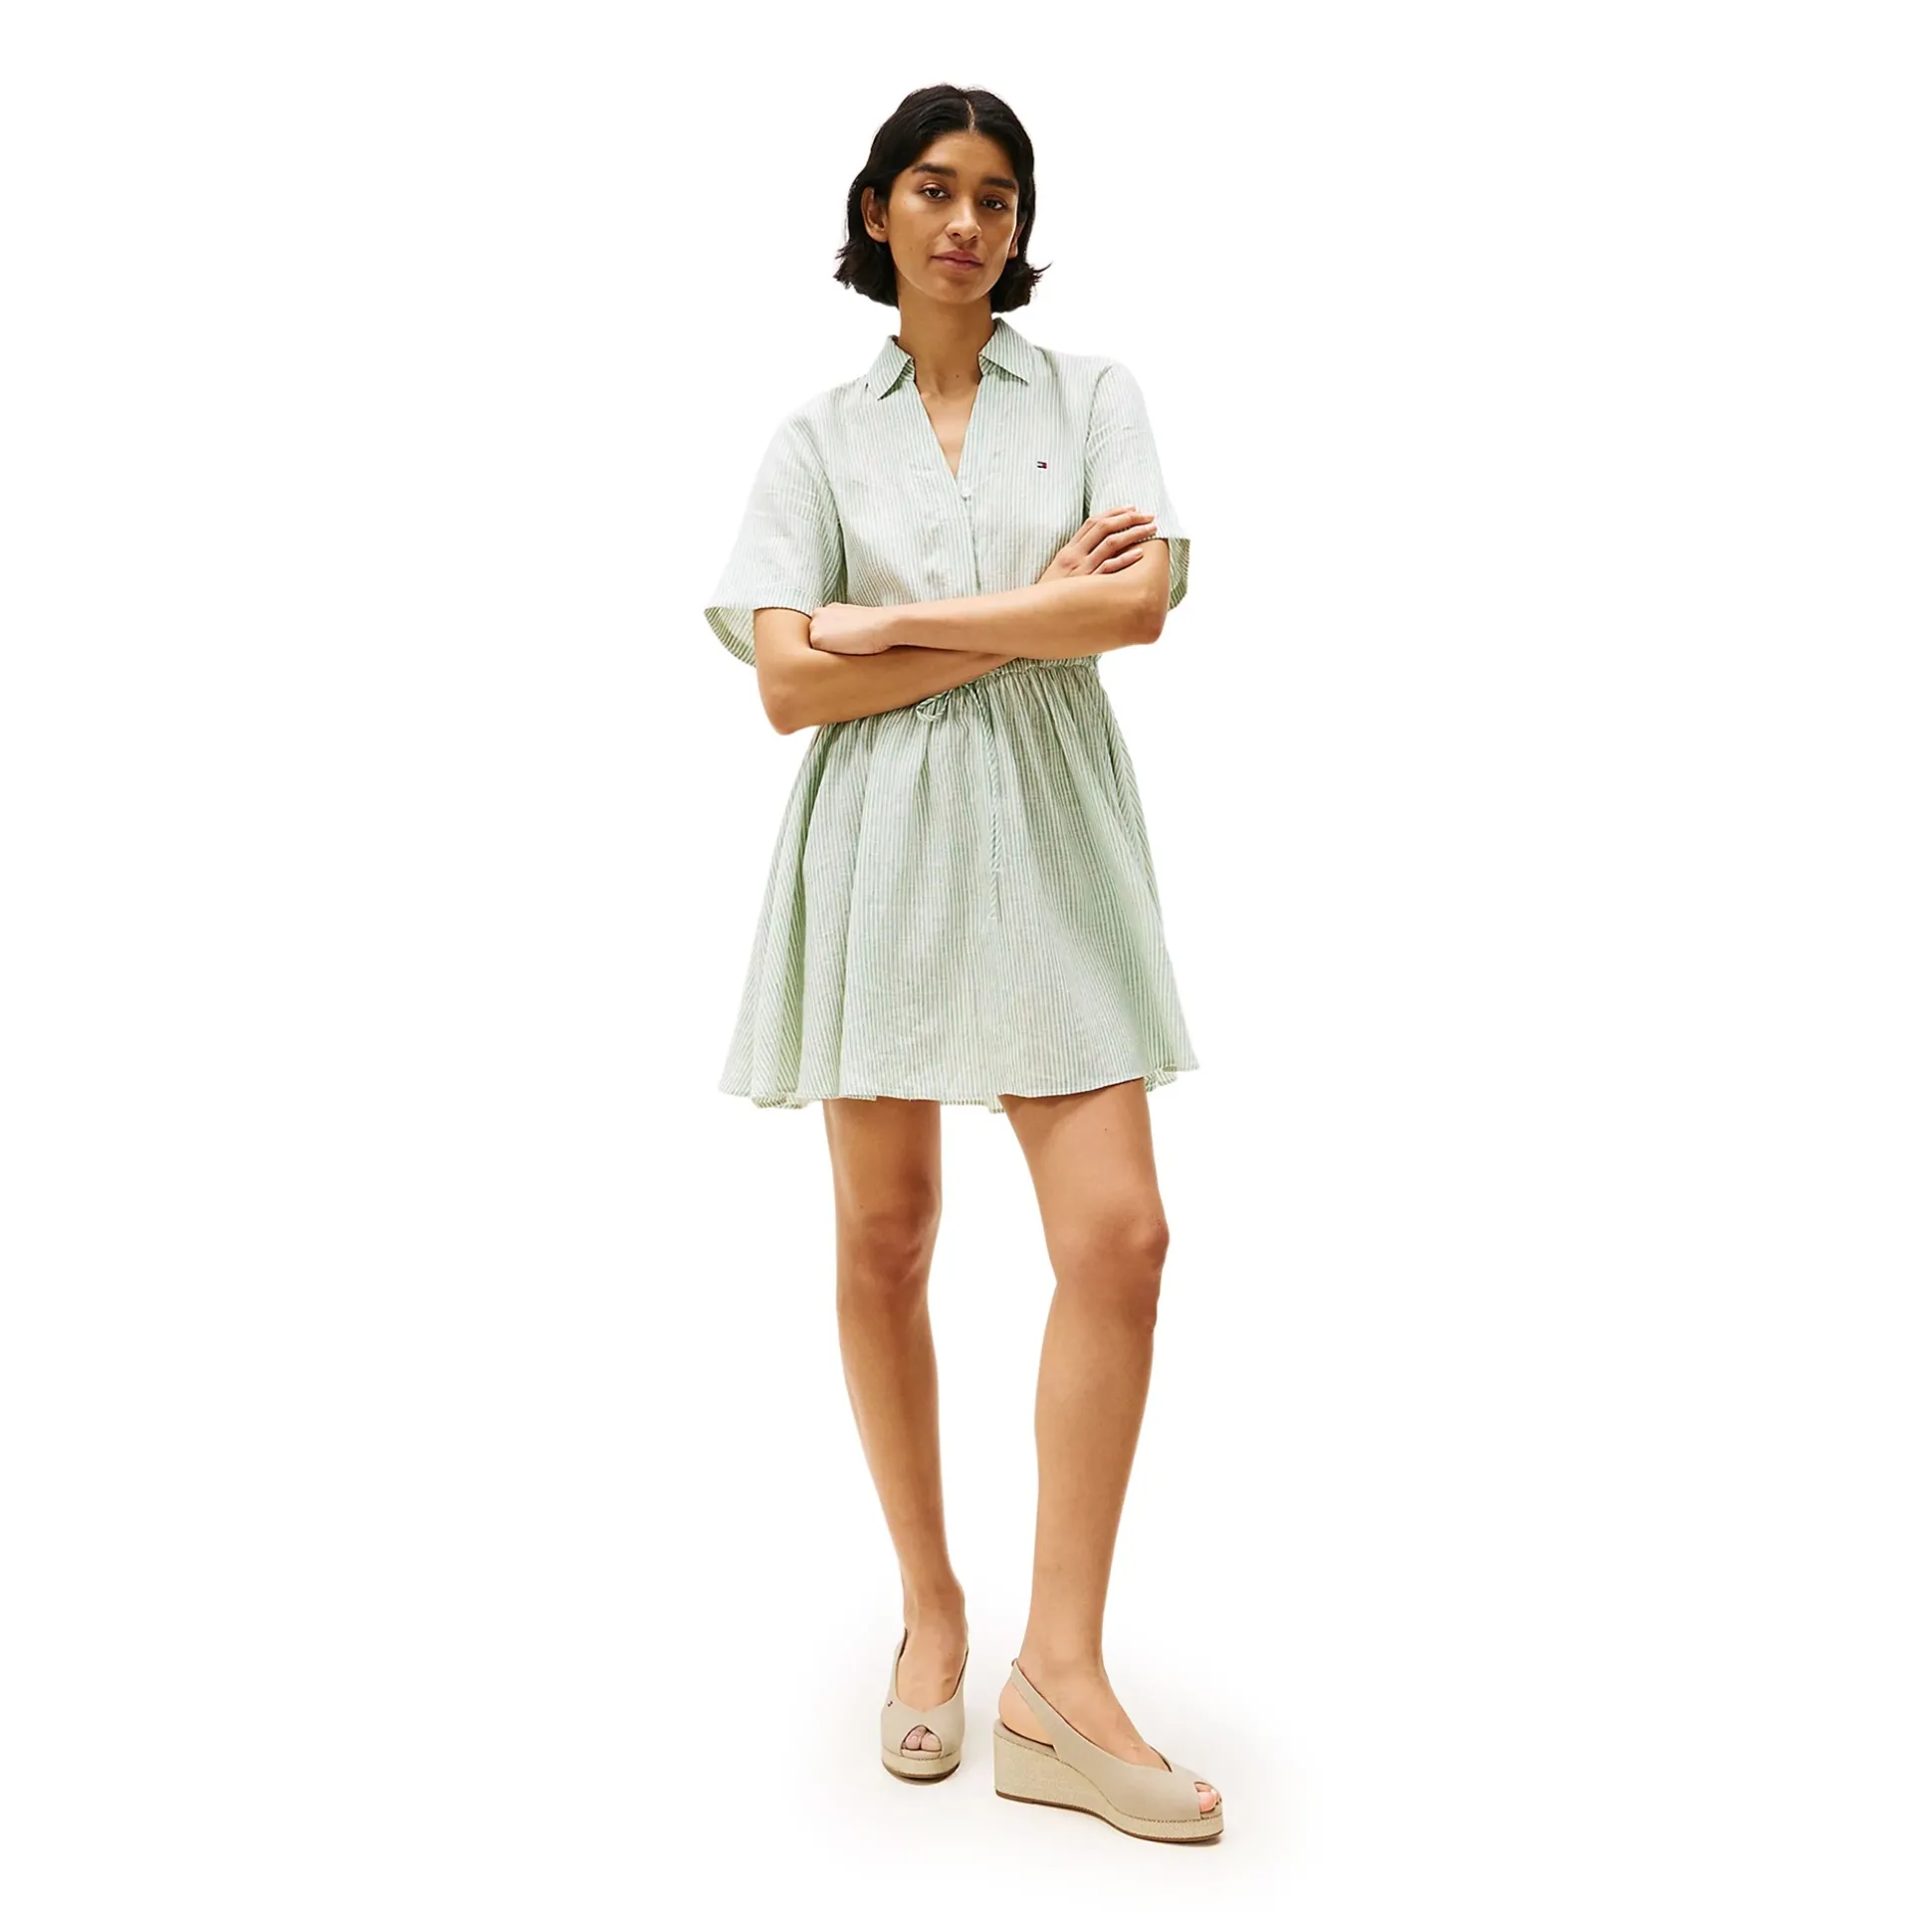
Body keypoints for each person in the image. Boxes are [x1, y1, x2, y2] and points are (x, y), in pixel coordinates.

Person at [703, 84, 1221, 1844]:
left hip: (1055, 835)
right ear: (878, 210)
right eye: (935, 189)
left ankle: (1058, 1676)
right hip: (882, 846)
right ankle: (931, 1606)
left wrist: (898, 620)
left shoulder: (1092, 399)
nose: (968, 223)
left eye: (998, 197)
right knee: (887, 1235)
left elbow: (1132, 608)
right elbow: (790, 685)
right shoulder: (812, 441)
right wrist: (1018, 620)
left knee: (1121, 1238)